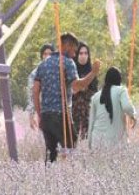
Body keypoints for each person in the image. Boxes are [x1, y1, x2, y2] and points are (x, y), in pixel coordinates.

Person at [33, 32, 100, 163]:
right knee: (71, 146)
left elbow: (35, 91)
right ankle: (68, 178)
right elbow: (77, 86)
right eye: (74, 50)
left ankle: (49, 179)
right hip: (61, 114)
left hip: (46, 116)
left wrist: (40, 114)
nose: (75, 55)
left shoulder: (42, 65)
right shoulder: (68, 63)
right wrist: (93, 73)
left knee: (50, 154)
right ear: (67, 45)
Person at [87, 67, 136, 149]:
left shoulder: (95, 96)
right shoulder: (121, 90)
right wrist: (133, 116)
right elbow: (127, 107)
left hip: (97, 141)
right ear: (119, 79)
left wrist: (89, 144)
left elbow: (91, 122)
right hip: (115, 142)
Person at [72, 42, 98, 140]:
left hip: (88, 114)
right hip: (73, 113)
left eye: (86, 53)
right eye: (81, 53)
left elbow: (94, 93)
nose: (83, 56)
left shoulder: (92, 71)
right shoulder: (72, 70)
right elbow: (73, 89)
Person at [27, 44, 53, 129]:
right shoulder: (35, 73)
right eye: (45, 54)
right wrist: (31, 116)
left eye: (50, 54)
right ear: (42, 56)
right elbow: (31, 95)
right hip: (42, 111)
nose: (47, 56)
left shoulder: (58, 71)